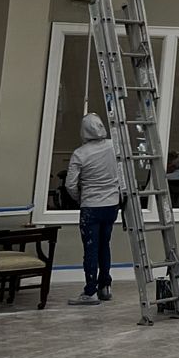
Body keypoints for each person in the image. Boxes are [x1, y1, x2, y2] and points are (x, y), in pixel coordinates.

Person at [64, 112, 121, 305]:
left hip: (91, 207)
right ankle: (105, 287)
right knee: (105, 245)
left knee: (90, 249)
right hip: (111, 205)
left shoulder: (80, 153)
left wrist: (81, 199)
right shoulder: (115, 147)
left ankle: (90, 291)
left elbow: (70, 185)